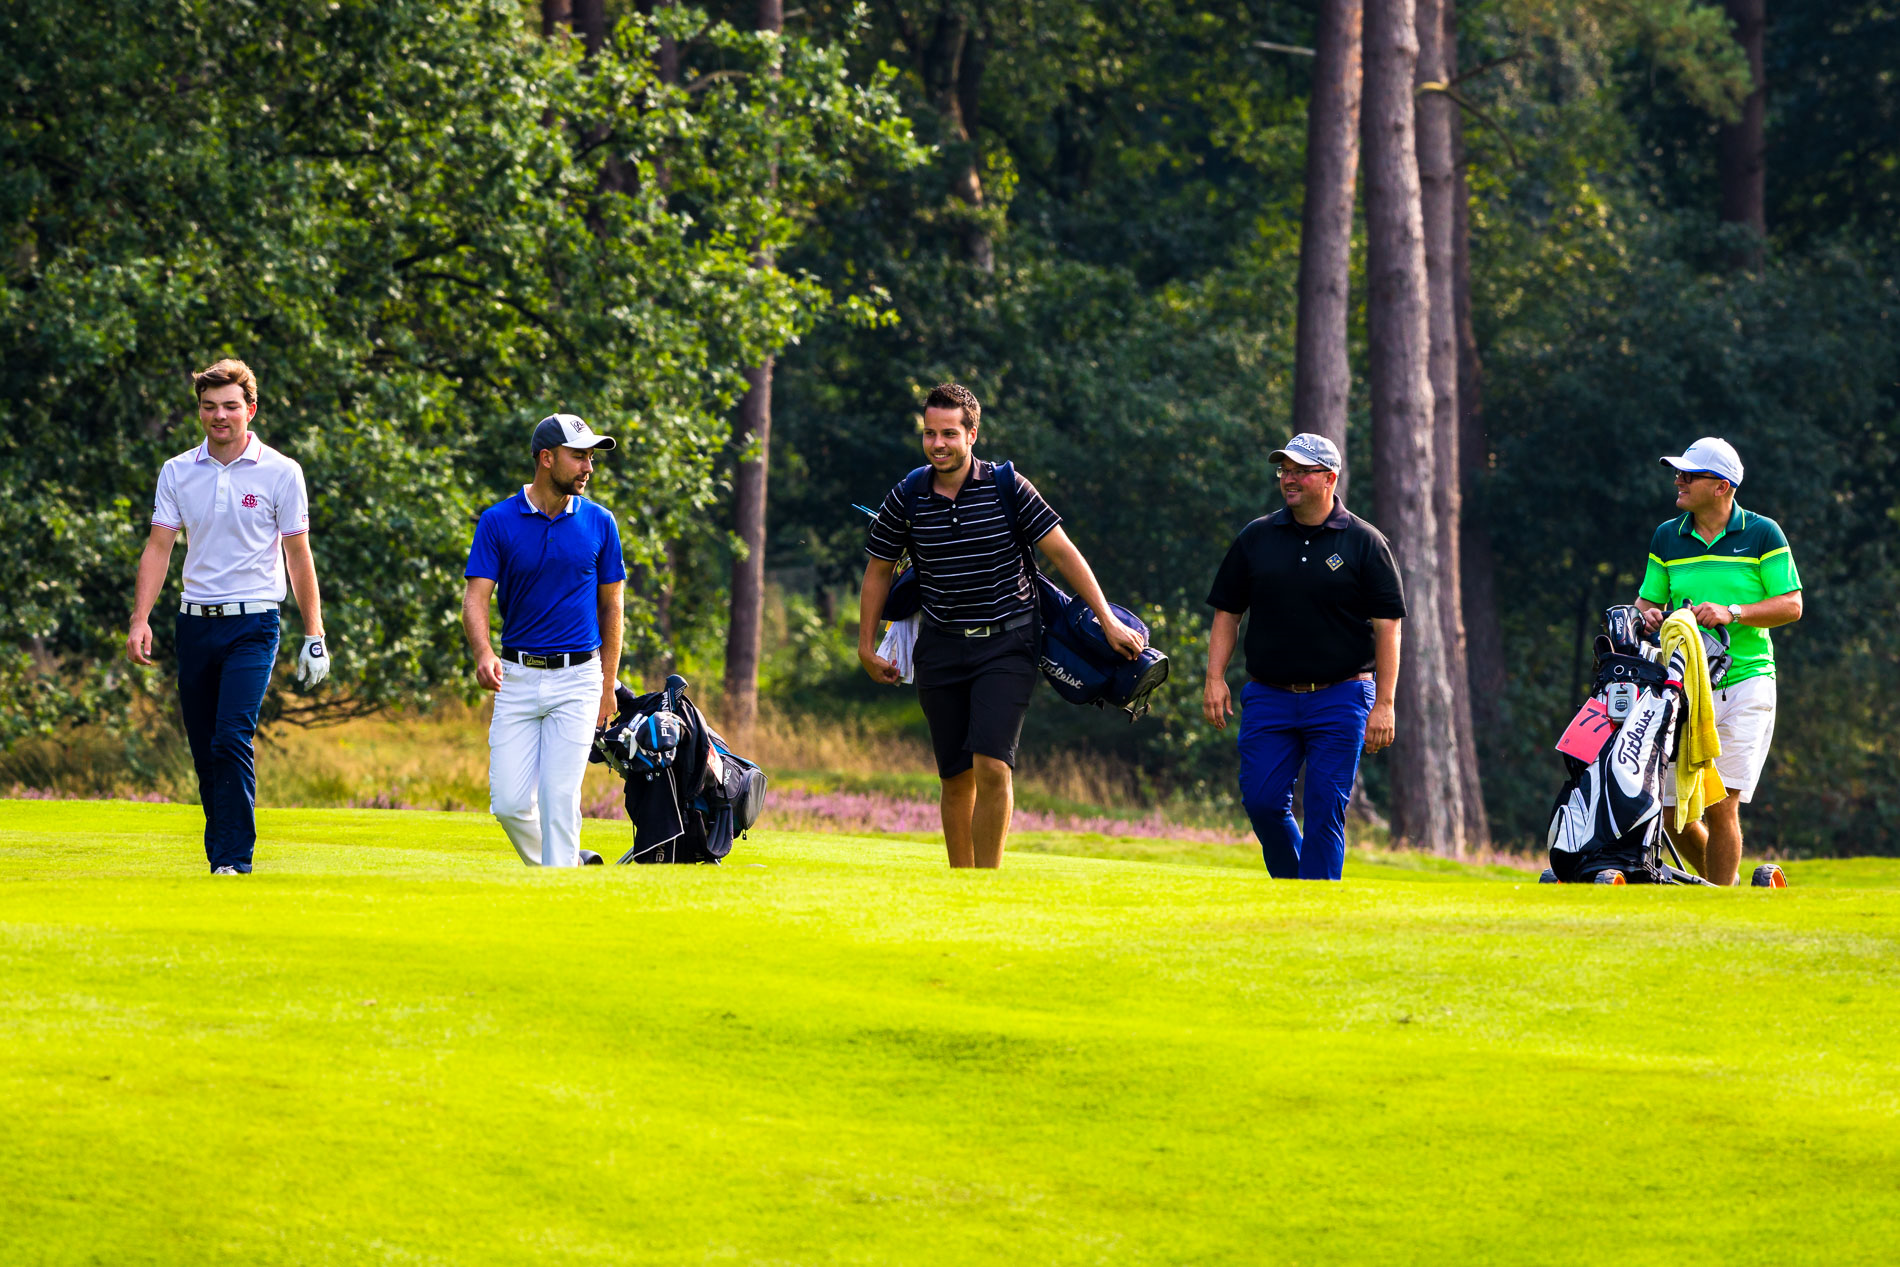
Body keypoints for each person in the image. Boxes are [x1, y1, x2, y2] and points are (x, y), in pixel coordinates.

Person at [857, 383, 1145, 869]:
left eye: (949, 433)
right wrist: (866, 646)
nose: (938, 444)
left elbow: (1064, 553)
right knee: (955, 777)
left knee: (991, 765)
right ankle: (963, 887)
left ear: (972, 434)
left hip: (1007, 643)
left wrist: (1108, 619)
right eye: (930, 433)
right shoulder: (907, 495)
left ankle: (987, 887)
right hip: (940, 646)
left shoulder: (1008, 486)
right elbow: (878, 570)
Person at [126, 359, 329, 875]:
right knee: (204, 748)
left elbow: (298, 553)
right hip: (194, 622)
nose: (220, 415)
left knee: (231, 737)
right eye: (209, 406)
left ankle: (234, 860)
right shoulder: (177, 471)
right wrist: (140, 619)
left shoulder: (282, 471)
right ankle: (222, 855)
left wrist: (314, 633)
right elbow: (159, 547)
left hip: (254, 623)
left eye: (231, 406)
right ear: (200, 411)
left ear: (250, 409)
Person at [1202, 433, 1404, 880]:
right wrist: (1214, 677)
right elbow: (1228, 612)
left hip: (1342, 695)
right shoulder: (1257, 537)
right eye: (1284, 470)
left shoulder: (1365, 542)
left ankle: (1314, 907)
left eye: (1300, 471)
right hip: (1269, 695)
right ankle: (1298, 890)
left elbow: (1388, 626)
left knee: (1324, 807)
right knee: (1262, 802)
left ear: (1329, 478)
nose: (1288, 479)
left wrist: (1385, 703)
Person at [1636, 437, 1802, 885]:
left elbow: (1791, 605)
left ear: (1722, 486)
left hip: (1747, 681)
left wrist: (1734, 612)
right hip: (1684, 688)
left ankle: (1720, 904)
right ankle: (1722, 893)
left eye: (1689, 475)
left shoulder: (1763, 533)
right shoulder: (1667, 536)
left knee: (1720, 803)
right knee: (1672, 812)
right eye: (1679, 473)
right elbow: (1647, 601)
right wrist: (1648, 615)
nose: (1679, 480)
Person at [463, 414, 626, 867]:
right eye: (579, 456)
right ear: (547, 458)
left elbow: (613, 607)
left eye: (591, 457)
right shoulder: (497, 521)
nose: (588, 467)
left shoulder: (600, 522)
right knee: (510, 803)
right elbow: (475, 599)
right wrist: (483, 652)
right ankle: (570, 867)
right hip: (515, 677)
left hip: (579, 679)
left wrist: (607, 684)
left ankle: (560, 892)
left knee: (559, 798)